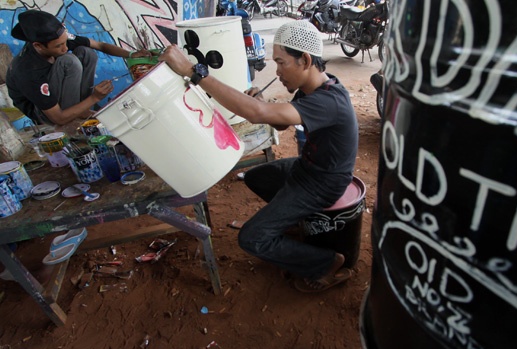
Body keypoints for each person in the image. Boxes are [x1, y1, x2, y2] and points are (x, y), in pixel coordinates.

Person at [159, 19, 359, 293]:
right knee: (256, 177)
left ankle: (326, 263)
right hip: (307, 169)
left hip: (323, 183)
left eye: (281, 62)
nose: (277, 72)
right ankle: (293, 223)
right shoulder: (312, 88)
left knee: (252, 239)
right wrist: (264, 105)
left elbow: (256, 114)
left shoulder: (328, 101)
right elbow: (280, 123)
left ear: (305, 60)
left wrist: (195, 73)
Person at [6, 10, 152, 126]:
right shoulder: (27, 71)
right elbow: (58, 118)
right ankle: (77, 113)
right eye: (58, 46)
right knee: (68, 61)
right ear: (38, 45)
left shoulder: (59, 39)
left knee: (86, 52)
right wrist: (95, 97)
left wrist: (132, 54)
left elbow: (100, 45)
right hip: (47, 113)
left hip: (62, 96)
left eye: (65, 42)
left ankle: (79, 109)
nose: (65, 47)